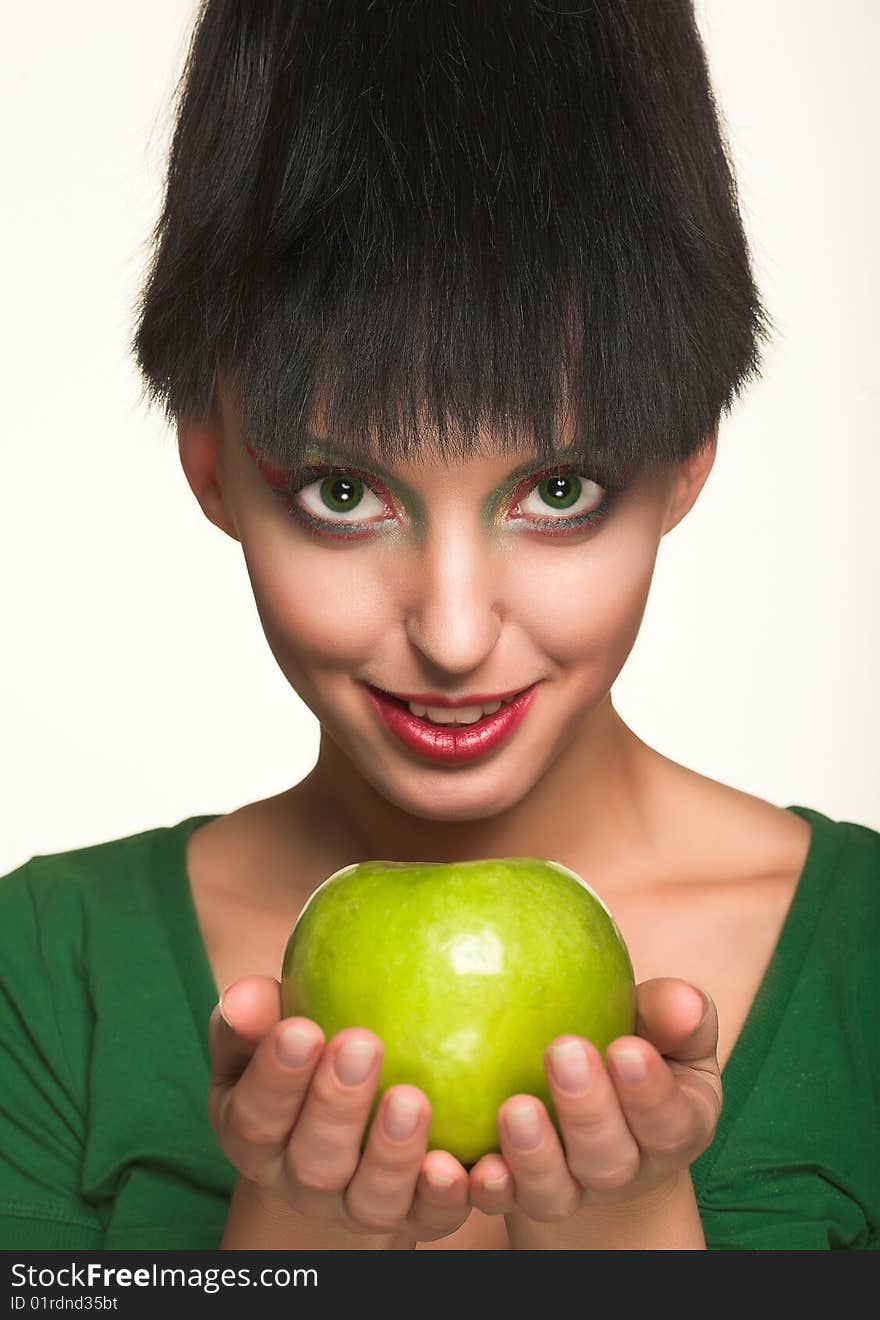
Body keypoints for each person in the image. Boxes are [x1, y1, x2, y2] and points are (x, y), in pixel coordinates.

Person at [1, 0, 877, 1252]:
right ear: (210, 466)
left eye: (559, 490)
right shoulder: (42, 984)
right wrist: (300, 1228)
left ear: (687, 461)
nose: (456, 634)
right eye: (342, 493)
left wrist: (620, 1226)